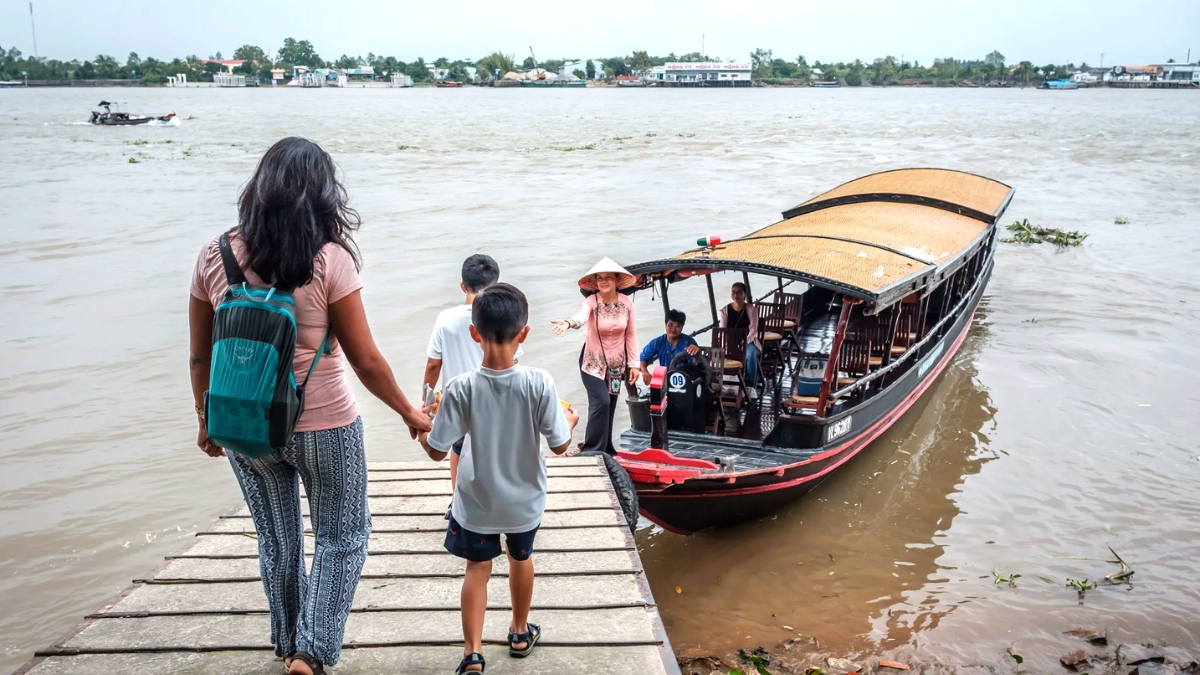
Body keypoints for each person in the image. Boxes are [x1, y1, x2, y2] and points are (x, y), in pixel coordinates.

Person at [188, 137, 432, 675]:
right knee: (343, 537)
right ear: (323, 193)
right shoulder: (329, 259)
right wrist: (410, 413)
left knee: (277, 539)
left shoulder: (214, 255)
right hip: (326, 424)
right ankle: (311, 650)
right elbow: (366, 361)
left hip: (244, 422)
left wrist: (206, 420)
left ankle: (288, 641)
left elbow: (200, 355)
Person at [416, 283, 579, 675]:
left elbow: (437, 450)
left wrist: (420, 426)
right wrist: (570, 421)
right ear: (524, 333)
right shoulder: (539, 382)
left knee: (477, 569)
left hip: (476, 503)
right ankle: (520, 634)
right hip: (524, 503)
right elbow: (560, 444)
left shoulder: (460, 387)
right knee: (521, 558)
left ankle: (473, 654)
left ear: (475, 333)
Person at [423, 254, 521, 518]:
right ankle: (498, 502)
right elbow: (513, 361)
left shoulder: (445, 318)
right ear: (496, 284)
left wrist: (427, 398)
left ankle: (458, 501)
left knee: (458, 448)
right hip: (496, 396)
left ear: (462, 285)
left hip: (457, 399)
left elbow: (433, 365)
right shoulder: (502, 316)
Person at [550, 257, 639, 456]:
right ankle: (591, 449)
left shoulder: (627, 304)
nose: (604, 281)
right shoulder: (591, 301)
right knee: (601, 402)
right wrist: (568, 323)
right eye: (600, 278)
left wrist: (634, 364)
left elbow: (631, 335)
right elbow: (581, 317)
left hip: (616, 364)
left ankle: (605, 448)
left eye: (608, 277)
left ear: (617, 280)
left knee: (611, 404)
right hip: (592, 362)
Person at [638, 309, 700, 384]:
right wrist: (645, 371)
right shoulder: (658, 342)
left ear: (682, 328)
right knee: (656, 377)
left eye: (677, 326)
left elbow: (697, 364)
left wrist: (696, 352)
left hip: (685, 381)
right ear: (665, 325)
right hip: (665, 379)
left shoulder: (689, 342)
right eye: (670, 325)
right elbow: (642, 358)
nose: (673, 329)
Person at [721, 282, 761, 399]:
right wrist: (725, 345)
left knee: (750, 355)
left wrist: (743, 344)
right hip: (730, 342)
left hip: (748, 342)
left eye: (739, 292)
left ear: (745, 295)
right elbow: (723, 331)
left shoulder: (752, 310)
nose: (736, 295)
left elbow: (753, 331)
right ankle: (722, 384)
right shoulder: (725, 310)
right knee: (717, 354)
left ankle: (750, 386)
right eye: (733, 292)